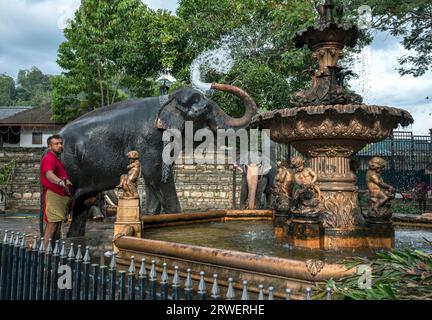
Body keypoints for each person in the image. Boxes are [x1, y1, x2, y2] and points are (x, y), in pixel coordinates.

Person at [40, 134, 72, 248]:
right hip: (54, 194)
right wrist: (60, 182)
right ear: (49, 146)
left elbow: (58, 174)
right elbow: (49, 174)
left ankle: (51, 250)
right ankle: (44, 252)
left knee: (57, 224)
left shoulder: (55, 159)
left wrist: (66, 181)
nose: (60, 146)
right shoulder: (49, 158)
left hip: (60, 195)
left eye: (61, 143)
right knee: (52, 225)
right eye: (56, 144)